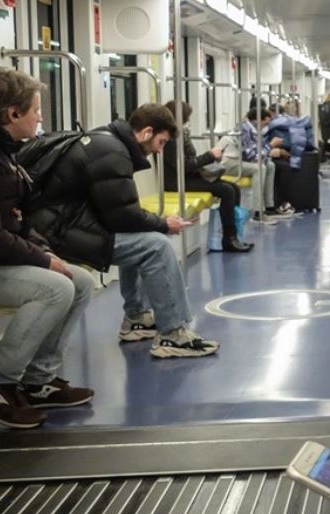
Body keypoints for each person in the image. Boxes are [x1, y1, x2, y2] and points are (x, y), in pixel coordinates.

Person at [27, 103, 220, 359]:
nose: (159, 151)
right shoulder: (113, 153)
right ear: (147, 132)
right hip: (59, 233)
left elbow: (121, 214)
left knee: (142, 239)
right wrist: (164, 224)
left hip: (62, 224)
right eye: (161, 143)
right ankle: (173, 334)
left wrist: (155, 222)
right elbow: (123, 216)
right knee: (156, 245)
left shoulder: (108, 142)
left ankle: (137, 317)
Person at [0, 68, 95, 429]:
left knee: (79, 281)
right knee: (54, 287)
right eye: (36, 110)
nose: (41, 118)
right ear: (13, 114)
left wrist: (44, 251)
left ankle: (38, 381)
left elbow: (10, 219)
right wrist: (39, 260)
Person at [161, 102, 251, 253]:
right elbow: (183, 166)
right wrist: (209, 156)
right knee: (227, 191)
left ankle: (234, 234)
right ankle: (229, 239)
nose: (187, 121)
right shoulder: (171, 140)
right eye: (185, 118)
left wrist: (210, 158)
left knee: (234, 188)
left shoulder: (180, 136)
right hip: (178, 182)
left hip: (189, 177)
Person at [229, 107, 294, 221]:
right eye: (265, 123)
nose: (265, 127)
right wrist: (271, 146)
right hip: (231, 163)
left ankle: (269, 207)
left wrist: (267, 151)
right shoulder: (244, 130)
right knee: (260, 168)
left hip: (242, 161)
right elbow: (252, 156)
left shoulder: (254, 130)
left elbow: (260, 152)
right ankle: (258, 212)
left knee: (270, 165)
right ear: (257, 120)